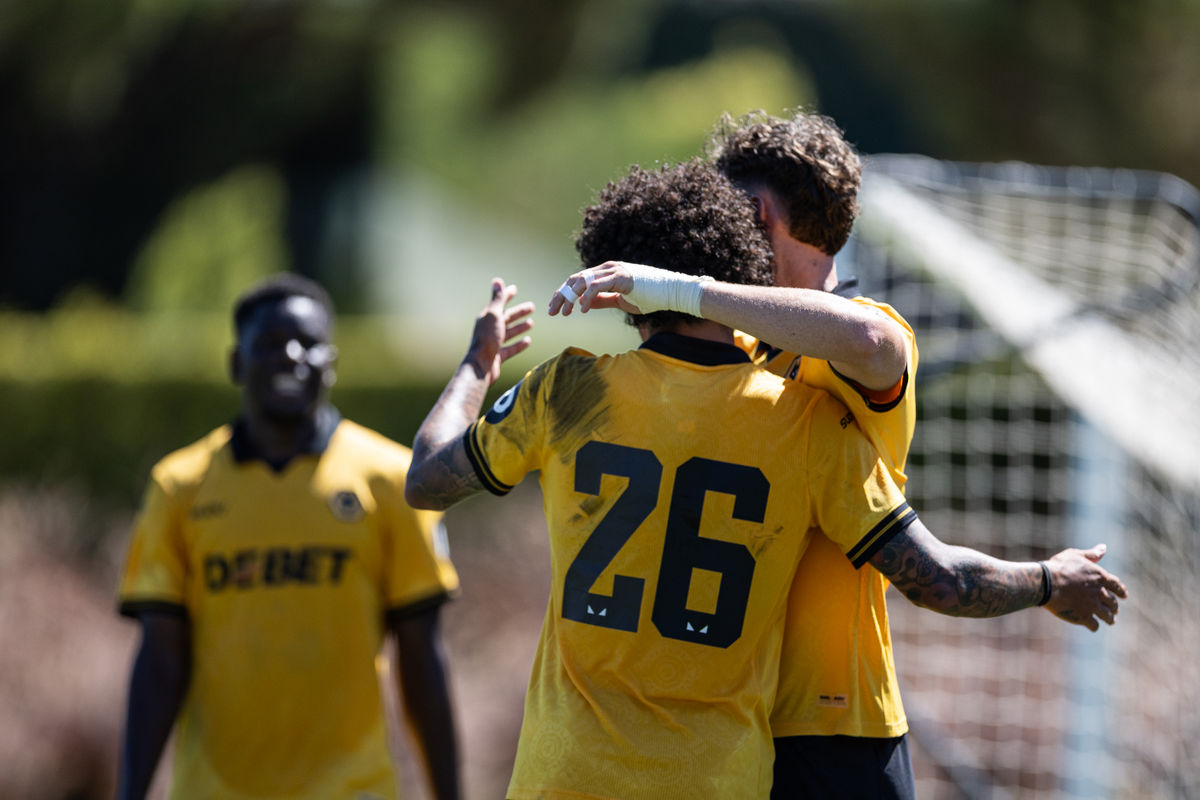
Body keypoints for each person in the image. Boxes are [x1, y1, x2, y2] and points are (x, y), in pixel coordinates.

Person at [408, 160, 1126, 800]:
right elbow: (940, 580)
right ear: (738, 258)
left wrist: (478, 366)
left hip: (564, 776)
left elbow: (427, 482)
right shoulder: (806, 422)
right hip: (720, 775)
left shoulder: (564, 390)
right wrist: (1045, 580)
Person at [114, 274, 462, 800]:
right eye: (270, 344)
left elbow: (422, 657)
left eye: (310, 344)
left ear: (332, 363)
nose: (292, 357)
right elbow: (161, 661)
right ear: (237, 363)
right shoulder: (179, 486)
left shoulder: (393, 480)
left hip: (352, 789)